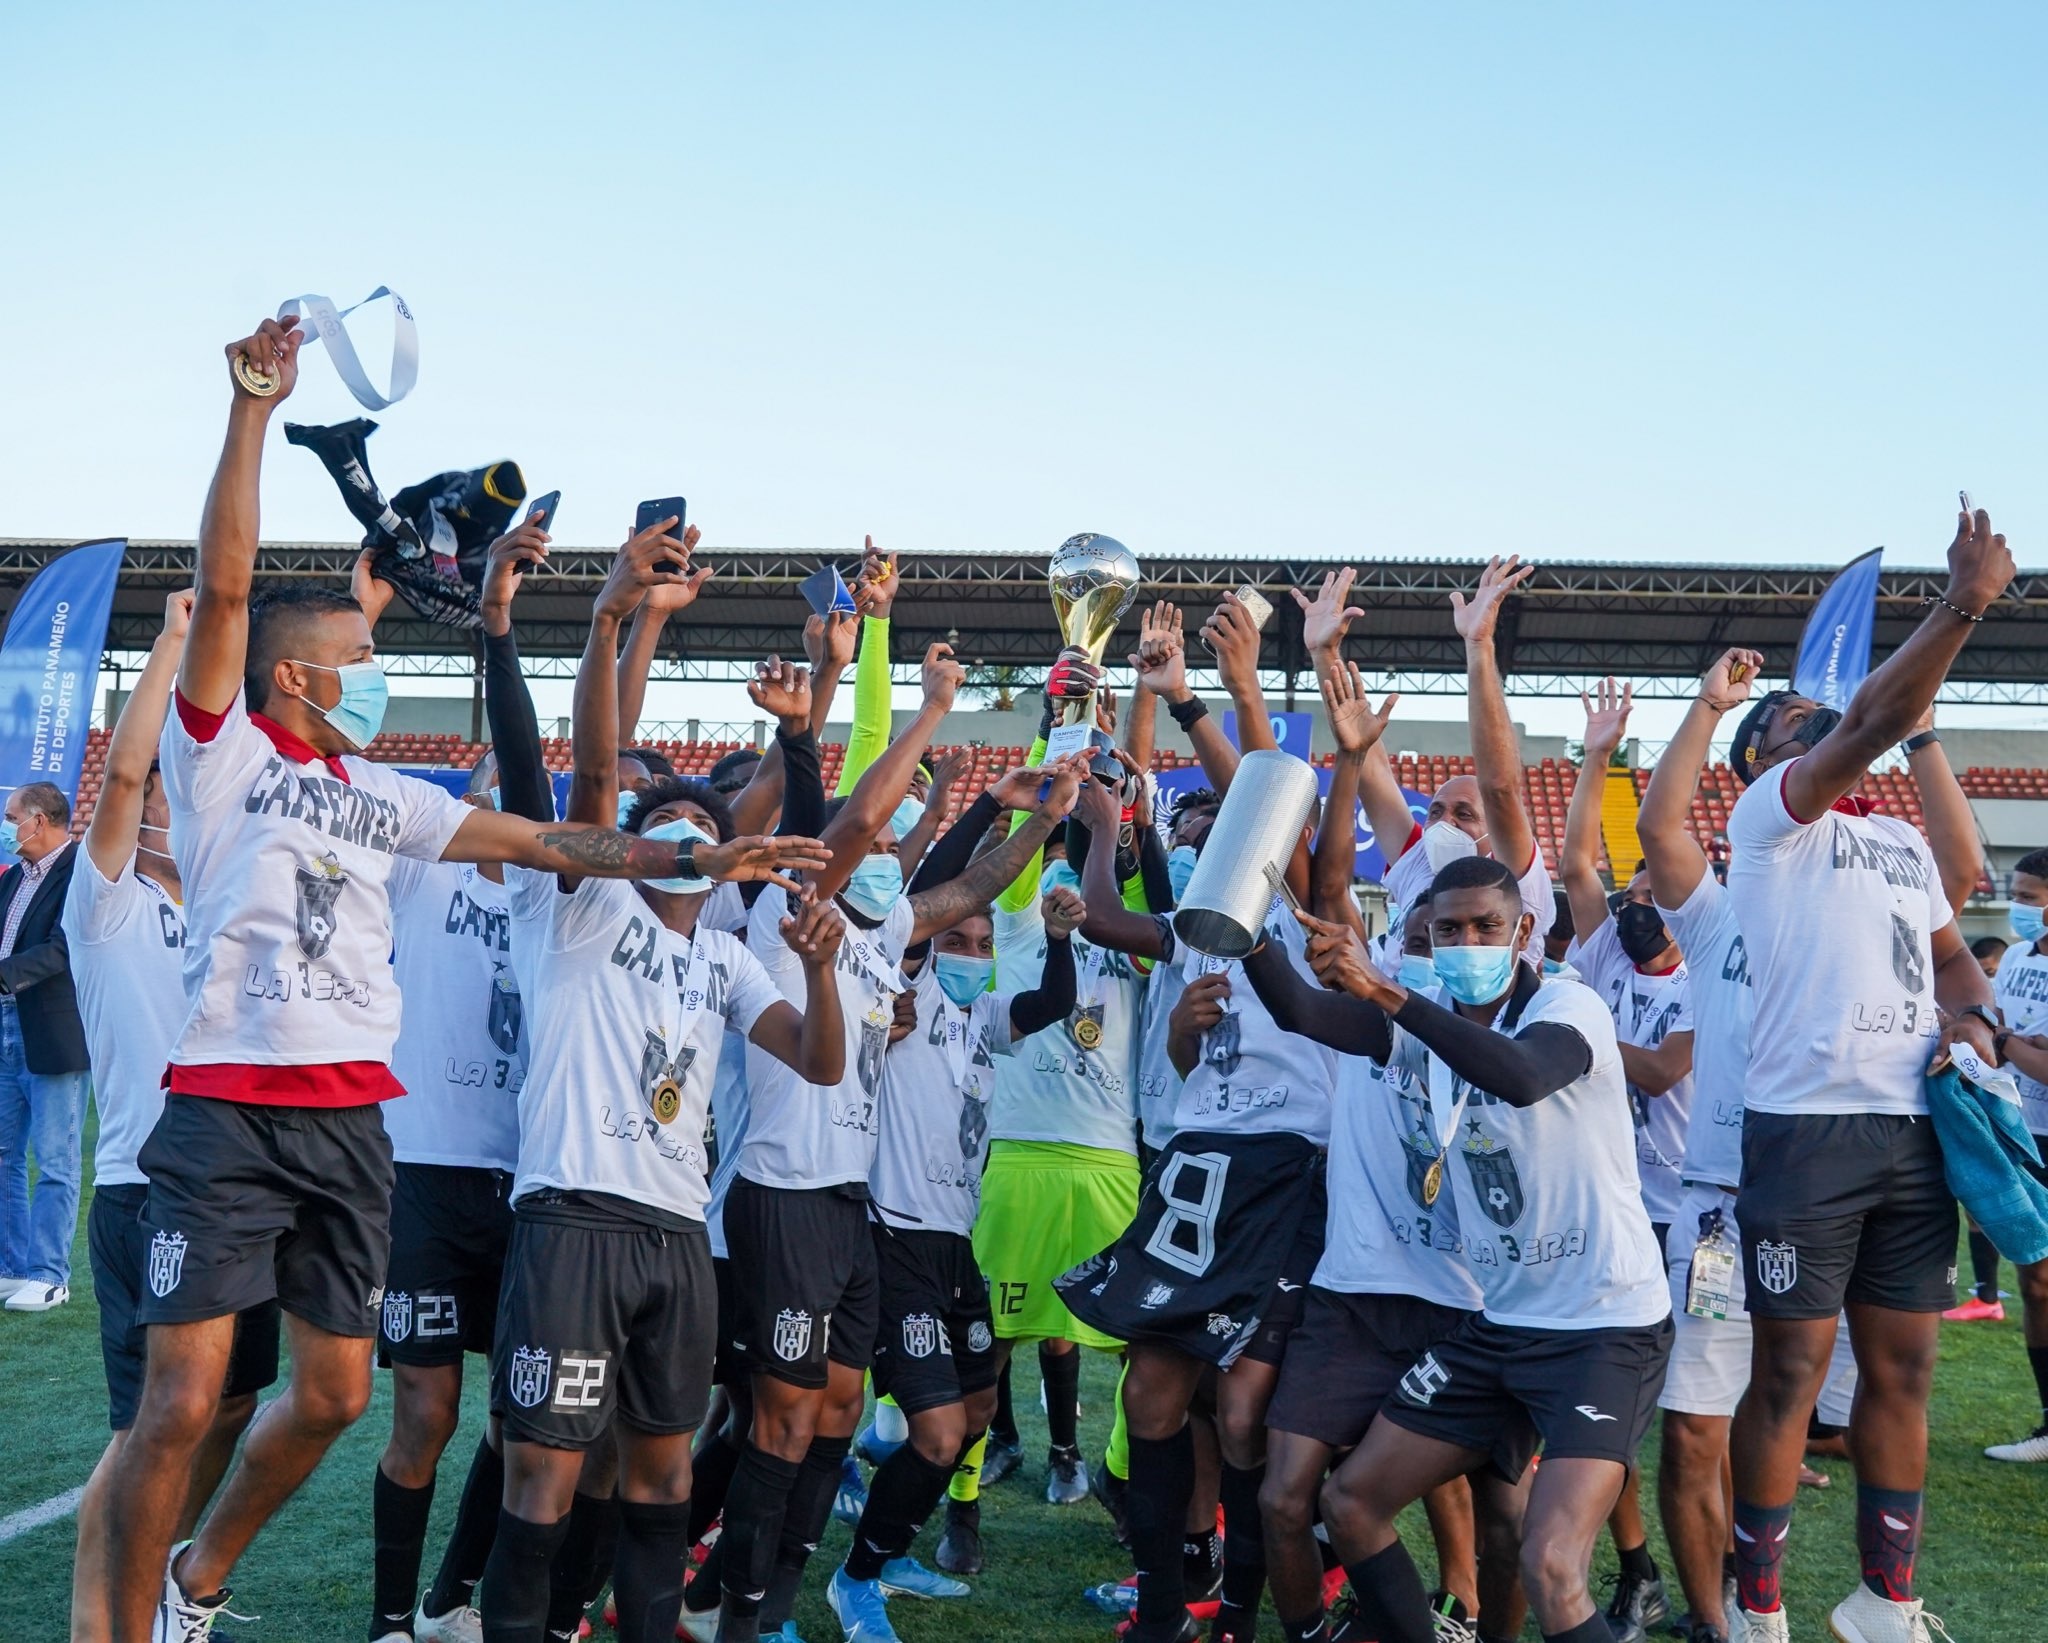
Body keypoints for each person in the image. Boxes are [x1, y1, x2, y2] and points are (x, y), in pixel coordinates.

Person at [111, 317, 832, 1643]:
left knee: (335, 1397)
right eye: (363, 663)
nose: (379, 681)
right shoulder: (221, 754)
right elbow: (224, 588)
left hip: (354, 1123)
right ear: (294, 676)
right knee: (182, 1395)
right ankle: (155, 1603)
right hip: (226, 1101)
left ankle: (197, 1571)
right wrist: (253, 412)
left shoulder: (380, 792)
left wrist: (711, 844)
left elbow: (557, 832)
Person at [474, 513, 857, 1643]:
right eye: (672, 818)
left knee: (659, 1483)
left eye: (706, 813)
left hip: (675, 1238)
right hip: (572, 1218)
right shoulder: (587, 904)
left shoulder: (728, 956)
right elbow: (595, 772)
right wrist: (607, 615)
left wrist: (826, 970)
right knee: (539, 1486)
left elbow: (821, 1059)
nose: (695, 821)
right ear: (645, 847)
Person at [708, 633, 1081, 1643]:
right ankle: (728, 1604)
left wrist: (1040, 822)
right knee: (775, 1422)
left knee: (828, 1416)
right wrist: (931, 706)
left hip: (844, 1206)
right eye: (866, 848)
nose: (879, 858)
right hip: (780, 1194)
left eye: (883, 855)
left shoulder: (878, 935)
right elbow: (866, 815)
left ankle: (775, 1598)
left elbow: (965, 890)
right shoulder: (797, 908)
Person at [1722, 501, 2013, 1643]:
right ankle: (1757, 1604)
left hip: (1907, 1131)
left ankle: (1880, 1600)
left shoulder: (1893, 841)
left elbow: (1947, 958)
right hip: (1803, 1130)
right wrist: (1960, 606)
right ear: (1757, 759)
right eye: (1796, 720)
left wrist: (1977, 1022)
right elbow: (1881, 714)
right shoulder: (1768, 819)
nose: (1820, 726)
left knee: (1903, 1371)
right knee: (1789, 1369)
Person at [1256, 859, 1672, 1643]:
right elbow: (1301, 1012)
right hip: (1502, 1324)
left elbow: (1519, 1075)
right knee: (1350, 1501)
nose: (1466, 941)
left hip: (1603, 1326)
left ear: (1523, 931)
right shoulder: (1426, 1014)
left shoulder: (1566, 1002)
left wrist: (1387, 992)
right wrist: (1243, 930)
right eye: (1449, 928)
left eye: (1486, 925)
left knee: (1549, 1560)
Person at [63, 590, 281, 1643]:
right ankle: (95, 1623)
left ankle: (160, 1588)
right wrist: (166, 644)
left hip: (237, 1184)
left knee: (232, 1400)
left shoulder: (215, 906)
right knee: (141, 1429)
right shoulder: (102, 899)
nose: (168, 810)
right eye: (158, 800)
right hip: (147, 1188)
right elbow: (119, 773)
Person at [354, 523, 539, 1643]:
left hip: (521, 1180)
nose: (499, 807)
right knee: (423, 1405)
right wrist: (479, 613)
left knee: (520, 1419)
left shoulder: (555, 903)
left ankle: (451, 1601)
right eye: (484, 787)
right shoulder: (417, 869)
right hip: (418, 1166)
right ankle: (387, 1617)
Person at [826, 874, 1088, 1643]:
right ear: (927, 944)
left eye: (982, 945)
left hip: (955, 1243)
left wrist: (1062, 938)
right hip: (894, 1236)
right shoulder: (908, 993)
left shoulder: (984, 1015)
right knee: (940, 1433)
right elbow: (915, 916)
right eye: (954, 941)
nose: (969, 956)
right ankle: (856, 1579)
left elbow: (1052, 1005)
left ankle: (889, 1528)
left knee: (973, 1412)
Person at [1560, 678, 1695, 1641]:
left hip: (1686, 1212)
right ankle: (1640, 1568)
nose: (1639, 903)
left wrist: (1579, 1032)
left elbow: (1656, 1070)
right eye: (1633, 887)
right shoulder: (1603, 950)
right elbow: (1574, 860)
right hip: (1610, 1207)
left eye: (1656, 890)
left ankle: (1713, 1589)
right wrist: (1595, 755)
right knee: (1597, 1413)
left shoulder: (1715, 971)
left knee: (1687, 1421)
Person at [1295, 563, 1553, 961]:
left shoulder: (1512, 877)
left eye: (1464, 814)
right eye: (1435, 811)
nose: (1443, 823)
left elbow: (1500, 788)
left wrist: (1479, 645)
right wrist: (1324, 653)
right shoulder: (1419, 862)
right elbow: (1372, 768)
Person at [0, 775, 91, 1313]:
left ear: (40, 819)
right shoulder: (13, 879)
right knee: (5, 1153)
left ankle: (50, 1273)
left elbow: (65, 948)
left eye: (13, 817)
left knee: (55, 1157)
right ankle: (11, 1267)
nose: (9, 826)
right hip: (6, 1027)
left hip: (53, 1030)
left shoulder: (80, 871)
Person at [1986, 847, 2048, 1459]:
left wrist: (2006, 1042)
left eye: (2029, 898)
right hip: (2023, 1133)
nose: (2019, 908)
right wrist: (2014, 1043)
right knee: (2036, 1282)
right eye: (2019, 894)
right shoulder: (2019, 959)